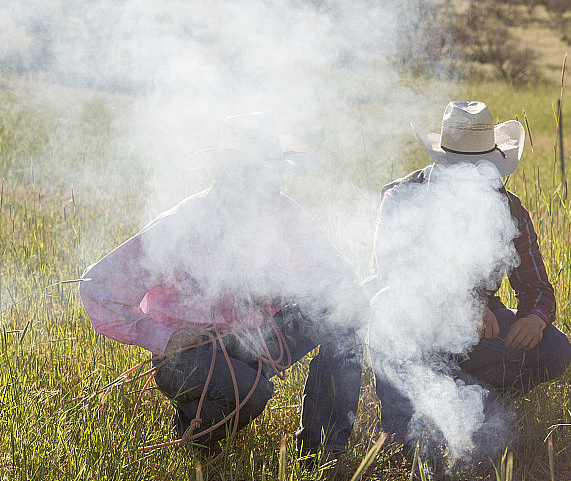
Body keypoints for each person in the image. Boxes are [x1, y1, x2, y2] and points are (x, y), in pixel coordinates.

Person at [79, 112, 368, 458]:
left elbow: (338, 273)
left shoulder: (282, 212)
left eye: (275, 172)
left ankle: (324, 449)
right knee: (252, 391)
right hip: (189, 352)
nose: (274, 184)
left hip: (255, 338)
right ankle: (195, 431)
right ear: (233, 172)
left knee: (347, 308)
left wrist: (282, 287)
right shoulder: (183, 225)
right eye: (263, 173)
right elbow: (96, 286)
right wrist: (166, 339)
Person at [367, 101, 571, 466]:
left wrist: (534, 319)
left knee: (556, 349)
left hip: (479, 334)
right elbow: (393, 273)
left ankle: (469, 390)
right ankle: (403, 435)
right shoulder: (403, 196)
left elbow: (537, 287)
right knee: (384, 308)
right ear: (442, 161)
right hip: (417, 326)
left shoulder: (509, 209)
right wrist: (457, 305)